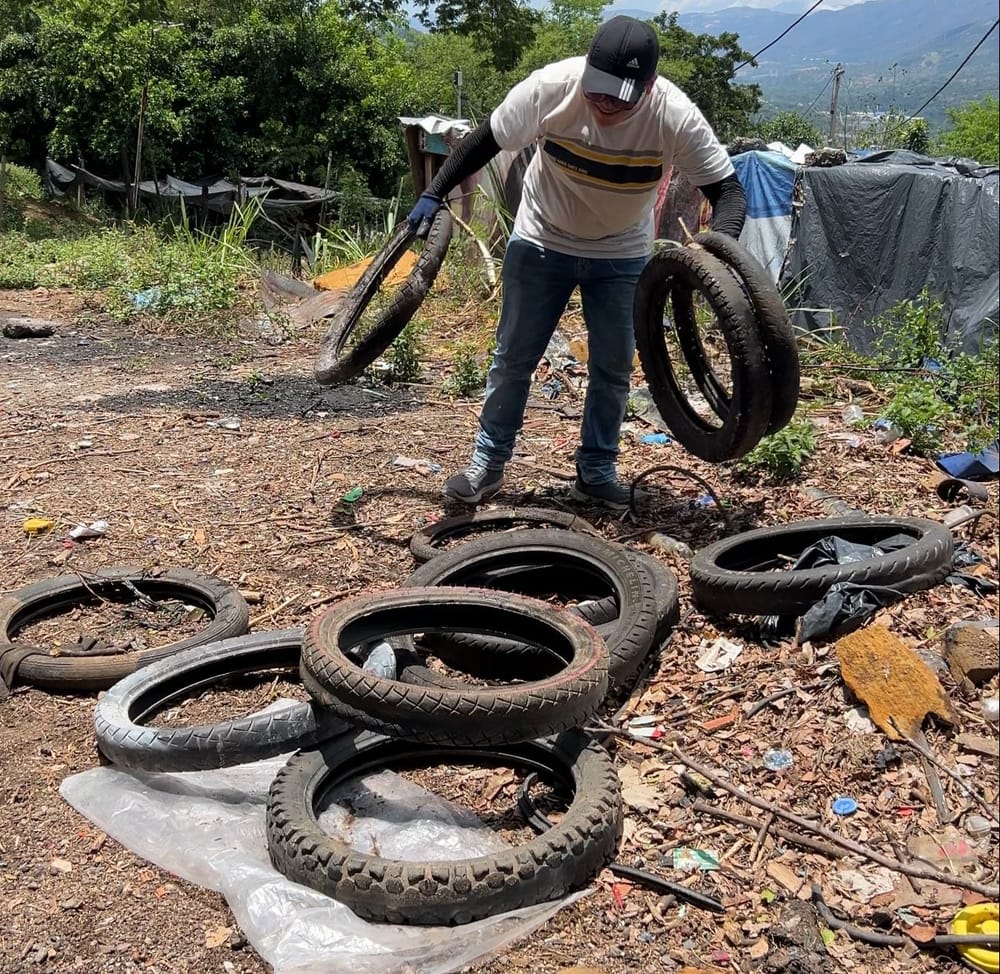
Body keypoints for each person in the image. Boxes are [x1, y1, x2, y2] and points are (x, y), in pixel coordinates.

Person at [408, 15, 746, 509]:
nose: (604, 103)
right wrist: (434, 192)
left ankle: (596, 473)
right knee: (513, 359)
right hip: (542, 239)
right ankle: (488, 465)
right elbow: (486, 139)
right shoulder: (551, 88)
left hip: (621, 251)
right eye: (598, 89)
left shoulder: (674, 116)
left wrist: (715, 256)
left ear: (649, 85)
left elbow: (729, 193)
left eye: (619, 96)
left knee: (613, 366)